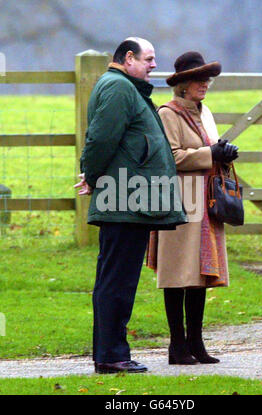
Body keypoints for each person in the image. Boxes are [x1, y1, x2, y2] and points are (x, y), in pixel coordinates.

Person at [74, 38, 187, 374]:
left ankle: (112, 353)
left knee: (119, 280)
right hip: (123, 201)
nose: (154, 65)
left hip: (129, 202)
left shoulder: (124, 87)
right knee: (116, 281)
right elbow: (100, 137)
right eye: (149, 59)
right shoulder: (119, 88)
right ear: (128, 58)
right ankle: (111, 356)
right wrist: (93, 175)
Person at [147, 51, 238, 365]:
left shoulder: (204, 112)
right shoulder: (168, 115)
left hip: (205, 202)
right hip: (179, 202)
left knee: (200, 273)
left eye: (207, 79)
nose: (205, 84)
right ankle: (177, 346)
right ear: (182, 84)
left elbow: (205, 150)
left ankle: (196, 343)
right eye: (198, 79)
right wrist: (209, 152)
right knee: (176, 273)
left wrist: (222, 154)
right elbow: (171, 157)